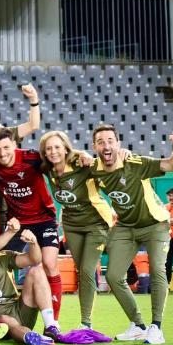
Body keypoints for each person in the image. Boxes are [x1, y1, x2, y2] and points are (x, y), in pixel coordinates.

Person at [91, 125, 173, 344]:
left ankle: (157, 327)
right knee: (113, 276)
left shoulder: (135, 163)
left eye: (110, 141)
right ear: (94, 146)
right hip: (126, 226)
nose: (106, 145)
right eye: (100, 141)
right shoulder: (94, 168)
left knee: (157, 269)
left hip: (155, 225)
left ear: (118, 143)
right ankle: (138, 325)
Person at [0, 128, 64, 323]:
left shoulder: (31, 158)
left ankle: (54, 321)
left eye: (6, 147)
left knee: (49, 264)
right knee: (0, 262)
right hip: (17, 224)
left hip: (44, 219)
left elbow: (62, 159)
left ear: (14, 145)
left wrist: (83, 155)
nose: (2, 153)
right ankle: (5, 311)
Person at [39, 130, 113, 329]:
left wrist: (84, 154)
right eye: (49, 149)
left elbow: (105, 167)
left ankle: (86, 323)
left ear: (65, 148)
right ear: (44, 153)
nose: (53, 152)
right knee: (82, 271)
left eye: (57, 147)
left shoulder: (82, 164)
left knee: (88, 271)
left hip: (96, 223)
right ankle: (84, 322)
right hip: (72, 225)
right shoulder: (48, 170)